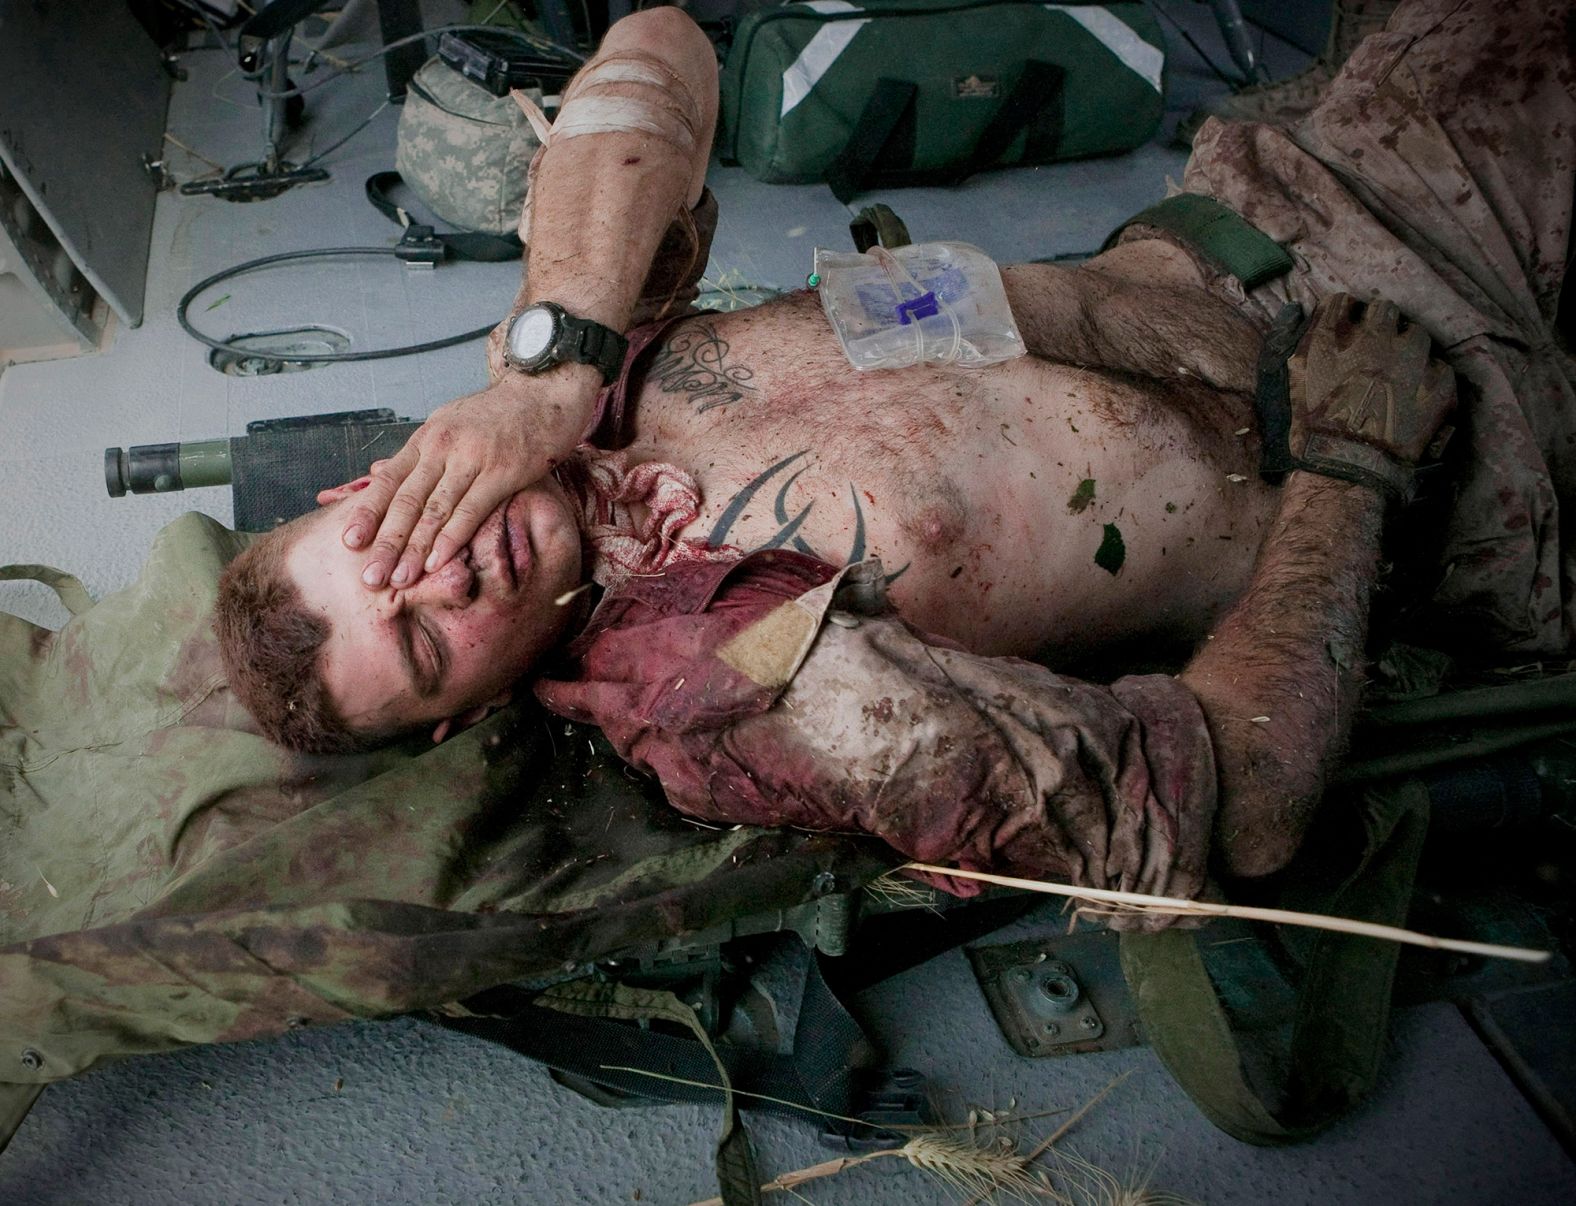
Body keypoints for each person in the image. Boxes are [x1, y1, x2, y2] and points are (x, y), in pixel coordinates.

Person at [217, 0, 1568, 902]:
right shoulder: (724, 682)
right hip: (1477, 469)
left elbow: (662, 45)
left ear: (368, 484)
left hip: (1301, 205)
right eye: (428, 641)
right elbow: (1240, 802)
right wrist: (1352, 464)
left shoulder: (575, 376)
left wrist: (551, 363)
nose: (450, 575)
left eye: (391, 547)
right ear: (462, 713)